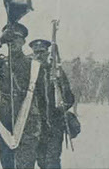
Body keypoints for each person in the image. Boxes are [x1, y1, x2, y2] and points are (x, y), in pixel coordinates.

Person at [0, 22, 46, 169]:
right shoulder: (1, 64)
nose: (12, 42)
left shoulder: (35, 66)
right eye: (9, 39)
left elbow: (43, 98)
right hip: (5, 125)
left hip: (28, 124)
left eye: (16, 38)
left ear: (23, 41)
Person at [30, 39, 75, 169]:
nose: (39, 56)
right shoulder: (30, 74)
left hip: (54, 124)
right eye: (36, 53)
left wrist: (61, 106)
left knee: (53, 161)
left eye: (42, 52)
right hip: (37, 126)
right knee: (41, 160)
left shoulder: (57, 73)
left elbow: (69, 98)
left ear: (47, 53)